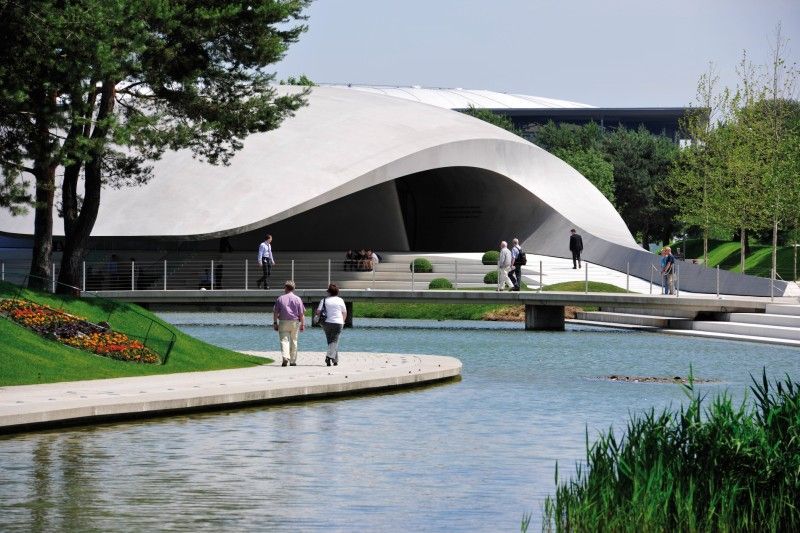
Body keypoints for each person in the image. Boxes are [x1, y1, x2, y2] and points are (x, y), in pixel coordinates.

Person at [273, 280, 305, 366]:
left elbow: (275, 312)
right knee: (294, 340)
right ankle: (293, 361)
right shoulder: (298, 299)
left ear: (286, 288)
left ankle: (285, 357)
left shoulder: (280, 298)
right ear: (293, 288)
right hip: (295, 322)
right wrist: (302, 324)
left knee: (284, 340)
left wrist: (275, 322)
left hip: (283, 322)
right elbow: (301, 314)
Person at [315, 283, 348, 366]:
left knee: (331, 341)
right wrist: (343, 322)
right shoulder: (340, 300)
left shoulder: (324, 300)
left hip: (326, 323)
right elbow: (344, 312)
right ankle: (329, 357)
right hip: (338, 322)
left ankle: (335, 360)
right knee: (334, 341)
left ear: (329, 292)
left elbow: (318, 312)